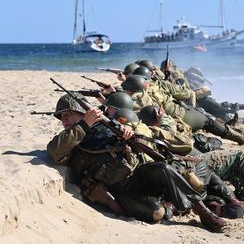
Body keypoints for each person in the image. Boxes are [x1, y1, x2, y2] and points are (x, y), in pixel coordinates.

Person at [46, 92, 226, 232]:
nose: (64, 119)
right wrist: (83, 125)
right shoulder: (69, 140)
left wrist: (127, 136)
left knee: (163, 168)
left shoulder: (106, 125)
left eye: (68, 114)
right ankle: (170, 204)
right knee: (156, 212)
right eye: (61, 116)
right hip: (121, 190)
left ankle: (202, 211)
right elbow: (54, 151)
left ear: (83, 112)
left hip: (138, 174)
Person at [137, 105, 244, 213]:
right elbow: (184, 143)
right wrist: (164, 119)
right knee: (239, 157)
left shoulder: (139, 135)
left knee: (229, 164)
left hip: (180, 173)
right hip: (188, 171)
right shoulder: (154, 133)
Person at [121, 75, 244, 145]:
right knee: (209, 122)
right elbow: (188, 94)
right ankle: (242, 138)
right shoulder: (157, 86)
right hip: (185, 115)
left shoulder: (131, 100)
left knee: (194, 140)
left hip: (170, 126)